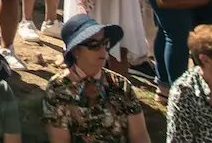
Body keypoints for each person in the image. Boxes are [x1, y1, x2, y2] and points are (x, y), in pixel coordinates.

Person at [43, 14, 150, 143]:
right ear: (76, 50)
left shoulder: (121, 85)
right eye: (94, 45)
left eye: (105, 43)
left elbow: (140, 137)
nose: (103, 50)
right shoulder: (58, 88)